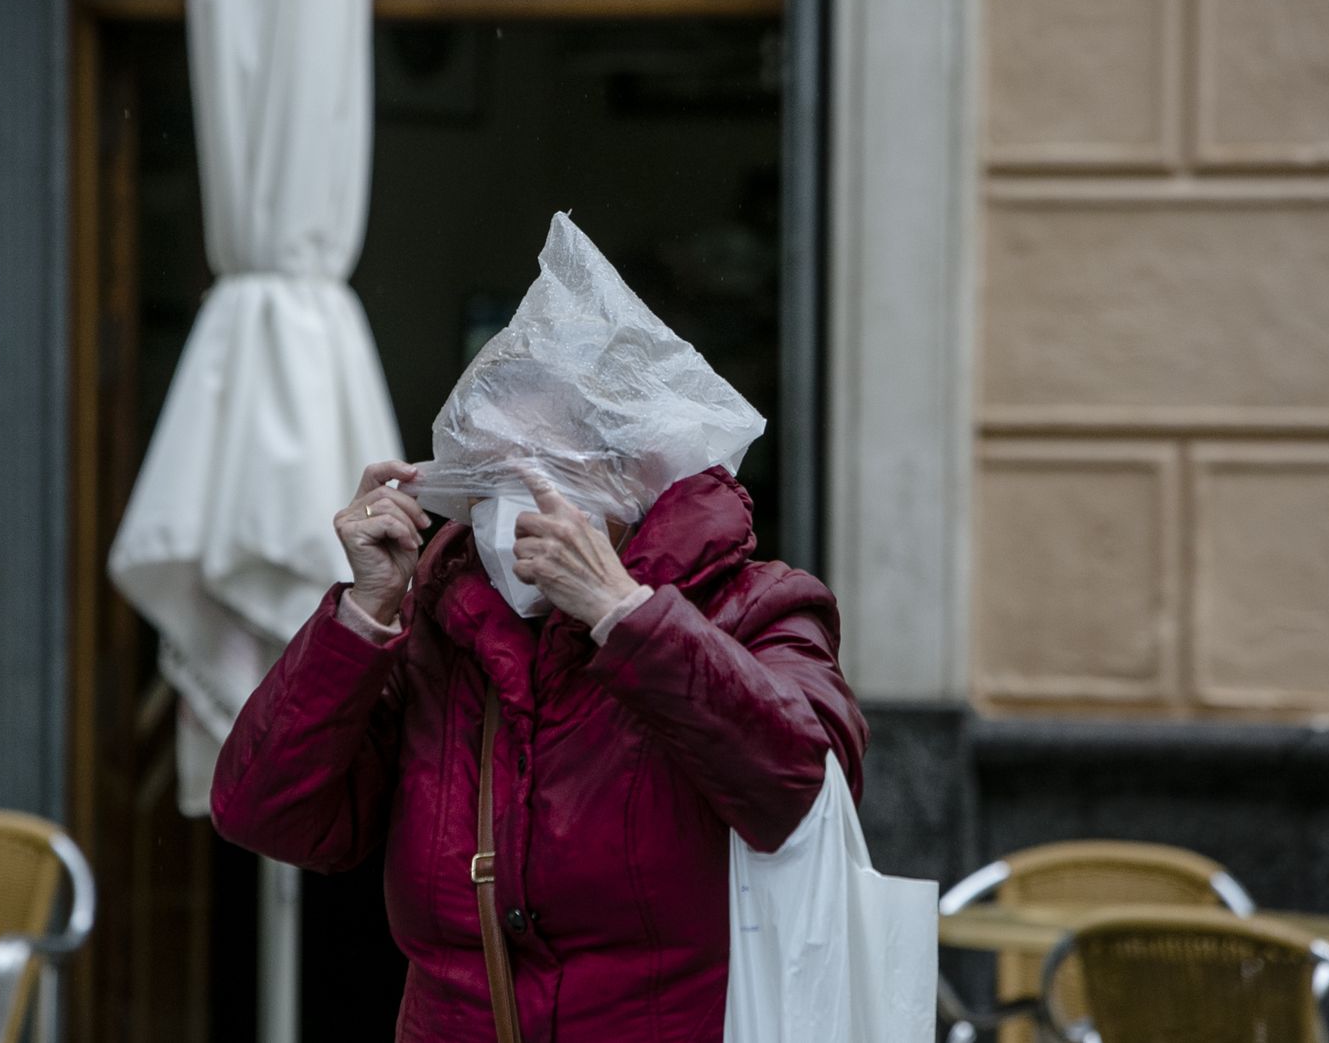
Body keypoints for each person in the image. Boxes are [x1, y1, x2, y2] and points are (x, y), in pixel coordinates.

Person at [210, 214, 867, 1043]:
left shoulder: (755, 606)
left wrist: (628, 617)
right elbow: (266, 813)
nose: (503, 515)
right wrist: (362, 613)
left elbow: (804, 792)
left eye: (538, 476)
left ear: (629, 475)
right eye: (484, 482)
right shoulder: (443, 623)